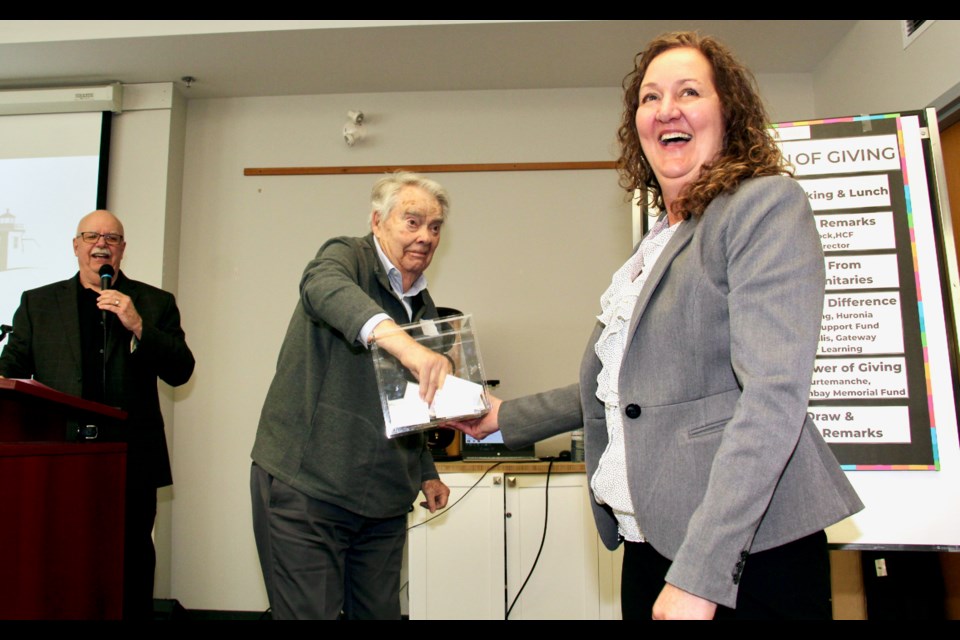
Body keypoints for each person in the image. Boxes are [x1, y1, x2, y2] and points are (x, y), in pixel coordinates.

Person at [454, 32, 863, 620]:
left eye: (689, 91)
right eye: (649, 98)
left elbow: (773, 398)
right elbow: (630, 386)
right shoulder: (656, 243)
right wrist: (500, 420)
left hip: (740, 553)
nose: (666, 109)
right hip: (650, 540)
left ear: (729, 113)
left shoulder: (763, 206)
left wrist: (702, 573)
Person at [250, 171, 453, 620]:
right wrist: (402, 343)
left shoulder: (425, 307)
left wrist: (426, 470)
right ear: (378, 221)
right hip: (309, 489)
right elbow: (323, 288)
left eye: (435, 227)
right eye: (413, 222)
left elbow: (410, 404)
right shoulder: (346, 256)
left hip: (381, 502)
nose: (425, 237)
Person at [0, 209, 195, 619]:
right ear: (76, 246)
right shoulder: (39, 303)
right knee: (58, 558)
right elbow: (10, 371)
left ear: (122, 249)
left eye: (112, 237)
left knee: (130, 560)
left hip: (132, 458)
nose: (101, 243)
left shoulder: (154, 303)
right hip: (58, 459)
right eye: (91, 236)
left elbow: (181, 370)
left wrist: (138, 325)